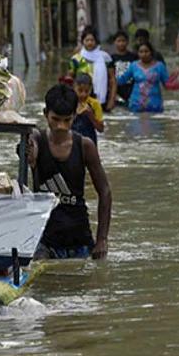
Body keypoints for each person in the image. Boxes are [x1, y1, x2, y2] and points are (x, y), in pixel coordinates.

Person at [26, 84, 111, 260]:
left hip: (79, 239)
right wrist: (29, 152)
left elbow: (105, 192)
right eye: (55, 119)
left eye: (67, 120)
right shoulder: (37, 140)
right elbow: (28, 145)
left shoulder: (85, 146)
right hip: (44, 241)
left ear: (74, 116)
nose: (61, 126)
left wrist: (102, 239)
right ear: (45, 114)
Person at [68, 26, 117, 111]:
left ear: (96, 41)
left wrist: (112, 100)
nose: (90, 43)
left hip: (102, 99)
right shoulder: (76, 59)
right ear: (83, 41)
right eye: (87, 40)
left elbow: (112, 80)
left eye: (92, 40)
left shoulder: (105, 58)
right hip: (81, 98)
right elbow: (70, 80)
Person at [117, 42, 169, 113]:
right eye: (141, 52)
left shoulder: (159, 66)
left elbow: (167, 84)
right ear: (138, 53)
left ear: (151, 52)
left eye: (146, 51)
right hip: (136, 105)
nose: (144, 54)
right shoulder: (134, 66)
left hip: (154, 105)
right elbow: (122, 80)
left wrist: (173, 83)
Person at [70, 74, 104, 145]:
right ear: (73, 88)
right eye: (80, 90)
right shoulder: (69, 102)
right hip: (72, 141)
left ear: (91, 89)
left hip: (90, 141)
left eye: (87, 91)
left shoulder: (95, 104)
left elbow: (101, 129)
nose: (83, 94)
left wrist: (91, 115)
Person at [110, 30, 138, 106]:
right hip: (117, 90)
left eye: (123, 41)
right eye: (119, 41)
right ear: (115, 42)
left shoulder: (134, 57)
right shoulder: (111, 58)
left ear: (127, 42)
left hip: (132, 89)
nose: (121, 43)